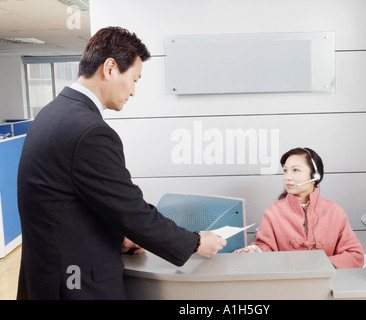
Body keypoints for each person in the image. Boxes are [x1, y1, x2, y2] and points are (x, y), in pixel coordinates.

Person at [16, 26, 226, 300]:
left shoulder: (52, 113)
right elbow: (131, 212)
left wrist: (118, 239)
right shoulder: (90, 131)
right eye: (135, 79)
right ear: (111, 68)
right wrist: (196, 242)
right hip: (76, 287)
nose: (134, 91)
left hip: (46, 279)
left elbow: (68, 209)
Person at [234, 147, 364, 269]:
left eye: (295, 170)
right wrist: (254, 251)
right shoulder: (273, 212)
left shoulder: (335, 212)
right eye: (285, 171)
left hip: (326, 284)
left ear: (314, 176)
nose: (287, 177)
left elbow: (355, 255)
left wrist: (321, 265)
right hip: (287, 284)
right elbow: (266, 247)